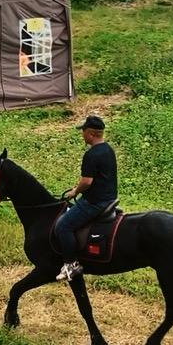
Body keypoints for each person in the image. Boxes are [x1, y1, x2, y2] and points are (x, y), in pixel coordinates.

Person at [53, 115, 118, 278]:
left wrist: (74, 191)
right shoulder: (108, 150)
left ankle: (71, 264)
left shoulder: (91, 155)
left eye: (83, 131)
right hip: (109, 198)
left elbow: (87, 182)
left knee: (63, 226)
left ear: (90, 133)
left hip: (95, 202)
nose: (82, 134)